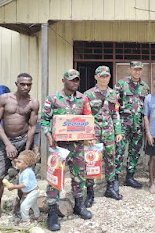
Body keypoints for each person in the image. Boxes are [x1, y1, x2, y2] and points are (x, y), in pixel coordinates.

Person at [41, 69, 92, 231]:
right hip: (59, 146)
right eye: (71, 80)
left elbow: (88, 119)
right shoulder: (53, 99)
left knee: (79, 175)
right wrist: (49, 137)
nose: (75, 82)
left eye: (77, 80)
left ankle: (79, 204)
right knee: (55, 177)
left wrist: (89, 135)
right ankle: (53, 212)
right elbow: (44, 120)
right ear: (63, 80)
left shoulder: (83, 99)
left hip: (77, 145)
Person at [0, 73, 39, 224]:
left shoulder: (33, 102)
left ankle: (18, 205)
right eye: (22, 84)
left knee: (25, 177)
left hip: (23, 141)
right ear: (16, 83)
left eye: (29, 84)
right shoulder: (4, 99)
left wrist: (26, 151)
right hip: (5, 142)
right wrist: (8, 144)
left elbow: (32, 126)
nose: (26, 87)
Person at [84, 66, 123, 203]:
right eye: (101, 76)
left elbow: (115, 113)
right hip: (94, 133)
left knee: (111, 159)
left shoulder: (113, 94)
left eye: (106, 76)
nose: (104, 78)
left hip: (109, 132)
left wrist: (118, 131)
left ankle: (110, 187)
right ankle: (90, 192)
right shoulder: (88, 94)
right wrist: (88, 135)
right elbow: (86, 116)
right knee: (92, 160)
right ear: (96, 77)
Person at [114, 61, 150, 189]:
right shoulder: (121, 84)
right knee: (119, 151)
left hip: (138, 125)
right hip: (123, 125)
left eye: (139, 69)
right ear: (130, 69)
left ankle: (129, 177)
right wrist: (117, 128)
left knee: (134, 152)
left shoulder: (145, 87)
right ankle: (115, 179)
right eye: (135, 69)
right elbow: (115, 107)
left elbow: (147, 108)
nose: (137, 71)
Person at [6, 150, 40, 227]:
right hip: (31, 191)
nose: (16, 163)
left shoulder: (26, 172)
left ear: (26, 164)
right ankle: (37, 216)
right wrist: (13, 159)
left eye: (19, 162)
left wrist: (14, 186)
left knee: (24, 206)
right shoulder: (23, 168)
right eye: (17, 161)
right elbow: (16, 163)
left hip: (33, 192)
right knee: (33, 204)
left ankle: (26, 220)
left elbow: (25, 184)